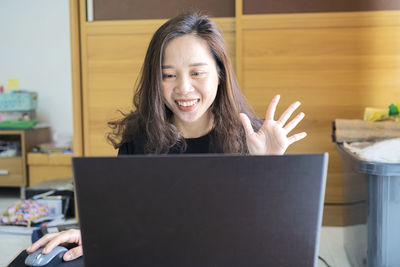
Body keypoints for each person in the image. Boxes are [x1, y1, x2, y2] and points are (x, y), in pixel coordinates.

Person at [26, 12, 306, 261]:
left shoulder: (254, 137)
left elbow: (269, 241)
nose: (184, 88)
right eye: (168, 75)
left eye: (197, 72)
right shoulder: (139, 137)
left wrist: (268, 165)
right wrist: (95, 234)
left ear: (220, 74)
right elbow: (124, 217)